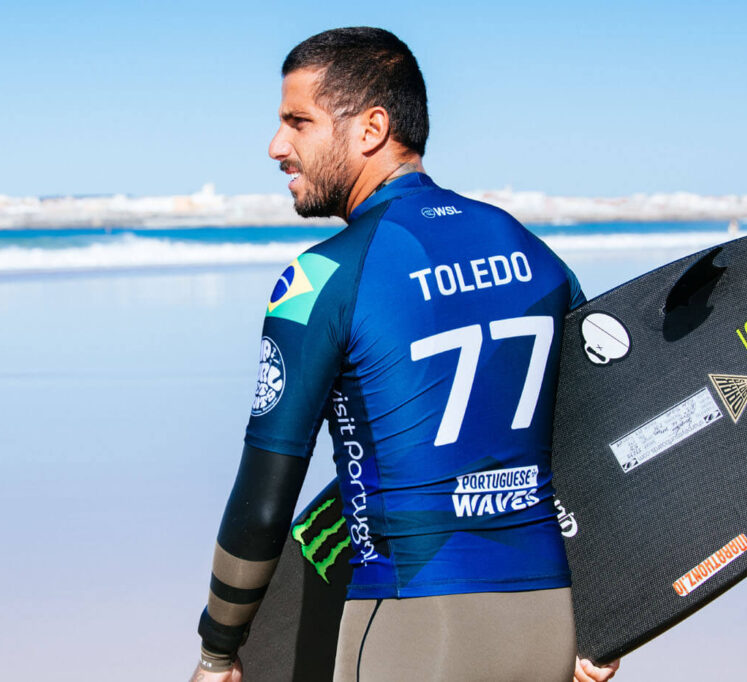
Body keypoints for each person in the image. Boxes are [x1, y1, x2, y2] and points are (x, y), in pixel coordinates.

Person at [192, 27, 621, 682]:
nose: (277, 146)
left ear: (371, 128)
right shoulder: (531, 252)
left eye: (297, 122)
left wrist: (218, 649)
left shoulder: (323, 280)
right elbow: (595, 432)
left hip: (413, 626)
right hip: (547, 626)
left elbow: (265, 499)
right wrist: (608, 613)